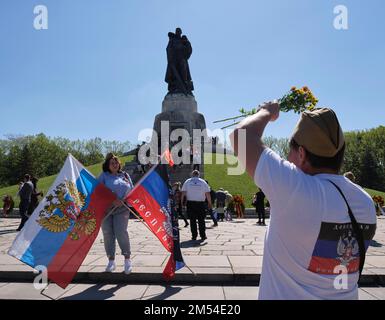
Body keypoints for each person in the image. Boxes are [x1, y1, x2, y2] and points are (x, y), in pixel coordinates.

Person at [230, 103, 376, 300]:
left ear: (301, 153)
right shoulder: (365, 202)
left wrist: (266, 112)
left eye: (290, 153)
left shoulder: (294, 189)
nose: (288, 160)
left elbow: (241, 135)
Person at [98, 153, 134, 274]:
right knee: (108, 234)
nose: (114, 165)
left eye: (116, 163)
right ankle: (111, 261)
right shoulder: (104, 176)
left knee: (121, 232)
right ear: (107, 165)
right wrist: (112, 200)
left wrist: (123, 200)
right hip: (106, 209)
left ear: (119, 164)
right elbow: (98, 190)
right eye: (111, 163)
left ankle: (127, 260)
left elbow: (132, 191)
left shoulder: (125, 175)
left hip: (122, 209)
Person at [181, 170, 212, 241]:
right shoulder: (203, 182)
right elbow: (208, 194)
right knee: (201, 220)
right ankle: (203, 235)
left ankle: (194, 236)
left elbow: (183, 193)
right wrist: (210, 203)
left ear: (192, 174)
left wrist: (182, 202)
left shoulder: (187, 181)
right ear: (199, 175)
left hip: (190, 203)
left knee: (192, 221)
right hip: (200, 204)